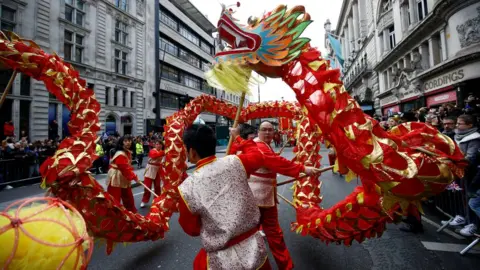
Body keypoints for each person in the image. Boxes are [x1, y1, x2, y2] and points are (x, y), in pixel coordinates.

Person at [177, 124, 271, 270]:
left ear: (192, 151)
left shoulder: (187, 188)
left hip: (222, 261)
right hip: (254, 250)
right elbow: (258, 157)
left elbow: (191, 229)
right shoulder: (235, 162)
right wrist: (238, 137)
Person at [245, 121, 320, 270]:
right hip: (259, 197)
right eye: (264, 130)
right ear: (258, 131)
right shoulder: (259, 146)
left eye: (270, 130)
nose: (267, 133)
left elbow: (271, 161)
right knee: (272, 233)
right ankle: (284, 266)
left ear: (274, 133)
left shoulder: (261, 144)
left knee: (253, 233)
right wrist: (304, 169)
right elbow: (276, 162)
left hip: (260, 195)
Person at [106, 135, 139, 213]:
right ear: (122, 142)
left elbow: (127, 167)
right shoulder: (120, 153)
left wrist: (132, 175)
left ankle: (131, 214)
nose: (128, 142)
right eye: (126, 141)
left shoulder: (127, 152)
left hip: (124, 176)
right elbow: (124, 168)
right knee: (115, 199)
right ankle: (114, 216)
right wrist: (134, 177)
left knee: (128, 197)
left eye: (129, 140)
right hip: (116, 176)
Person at [140, 140, 165, 208]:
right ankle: (144, 201)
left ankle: (157, 200)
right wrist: (165, 152)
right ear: (155, 145)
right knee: (147, 186)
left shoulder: (163, 152)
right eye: (157, 144)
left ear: (162, 145)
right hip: (150, 169)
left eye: (160, 144)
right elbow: (154, 156)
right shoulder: (152, 151)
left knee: (157, 187)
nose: (158, 145)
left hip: (158, 170)